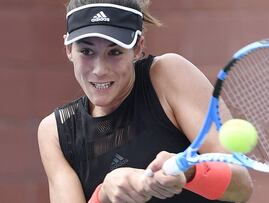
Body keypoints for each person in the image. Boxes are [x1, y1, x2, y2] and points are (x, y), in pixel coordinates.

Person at [38, 0, 253, 202]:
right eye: (86, 51)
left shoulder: (168, 75)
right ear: (68, 49)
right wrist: (105, 194)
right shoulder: (56, 132)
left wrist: (190, 172)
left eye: (115, 52)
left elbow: (242, 187)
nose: (99, 70)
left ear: (139, 47)